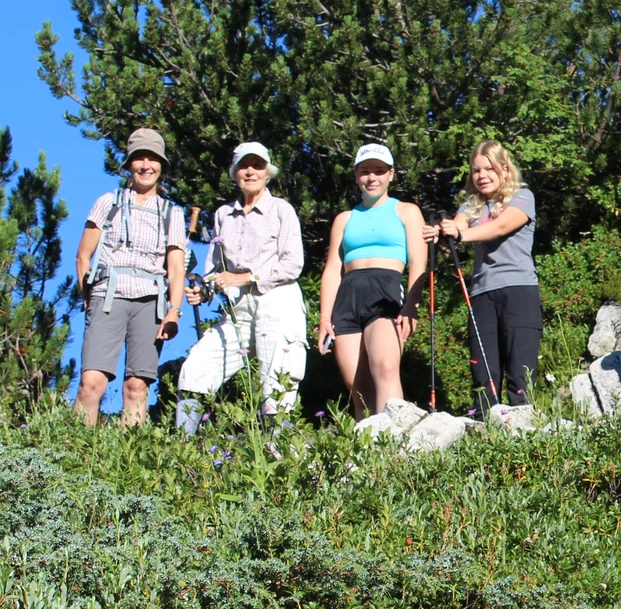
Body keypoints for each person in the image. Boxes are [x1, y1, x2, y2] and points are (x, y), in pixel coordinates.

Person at [176, 141, 308, 431]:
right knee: (195, 370)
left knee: (277, 387)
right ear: (234, 172)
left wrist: (246, 277)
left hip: (278, 302)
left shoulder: (281, 210)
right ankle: (181, 450)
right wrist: (204, 289)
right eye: (244, 166)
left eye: (257, 165)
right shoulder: (223, 215)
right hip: (238, 310)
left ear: (268, 172)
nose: (251, 171)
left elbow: (292, 265)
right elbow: (215, 270)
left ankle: (281, 461)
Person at [73, 128, 186, 426]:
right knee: (91, 383)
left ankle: (129, 463)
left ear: (162, 165)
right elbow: (83, 255)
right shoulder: (108, 202)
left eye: (153, 159)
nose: (146, 165)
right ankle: (72, 453)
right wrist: (88, 297)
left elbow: (176, 268)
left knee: (137, 387)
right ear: (129, 164)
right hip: (108, 296)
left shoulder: (172, 213)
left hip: (150, 302)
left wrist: (173, 311)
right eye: (139, 158)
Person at [427, 139, 540, 407]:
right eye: (476, 171)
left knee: (520, 374)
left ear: (504, 168)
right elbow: (455, 226)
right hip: (481, 294)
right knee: (483, 375)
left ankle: (525, 435)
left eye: (488, 169)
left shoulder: (522, 197)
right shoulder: (471, 206)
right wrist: (439, 232)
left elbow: (500, 227)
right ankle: (486, 430)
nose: (481, 176)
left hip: (519, 290)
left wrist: (460, 234)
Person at [318, 144, 427, 417]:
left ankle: (393, 449)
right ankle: (367, 456)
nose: (372, 178)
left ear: (391, 174)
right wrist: (323, 319)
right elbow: (332, 269)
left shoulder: (406, 211)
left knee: (386, 367)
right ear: (356, 176)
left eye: (379, 171)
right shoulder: (344, 219)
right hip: (348, 297)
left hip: (386, 291)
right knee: (358, 388)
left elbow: (418, 262)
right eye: (365, 171)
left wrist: (411, 305)